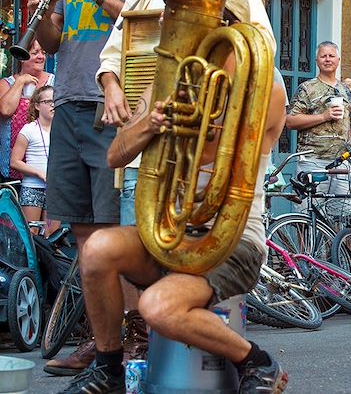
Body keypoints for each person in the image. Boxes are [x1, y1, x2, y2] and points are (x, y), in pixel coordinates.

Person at [58, 38, 289, 393]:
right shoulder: (165, 84)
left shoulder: (266, 93)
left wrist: (175, 119)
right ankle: (108, 370)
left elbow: (211, 151)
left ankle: (256, 361)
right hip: (170, 232)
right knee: (97, 248)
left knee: (158, 308)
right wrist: (149, 125)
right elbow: (115, 155)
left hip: (232, 240)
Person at [26, 0, 161, 375]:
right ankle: (101, 340)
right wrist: (45, 14)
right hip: (69, 104)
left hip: (117, 107)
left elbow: (153, 21)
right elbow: (57, 42)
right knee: (84, 233)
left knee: (114, 233)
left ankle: (136, 338)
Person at [285, 42, 351, 197]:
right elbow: (290, 121)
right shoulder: (307, 88)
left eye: (331, 56)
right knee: (310, 213)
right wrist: (324, 116)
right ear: (317, 61)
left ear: (338, 60)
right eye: (323, 56)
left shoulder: (346, 90)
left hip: (342, 162)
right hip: (313, 160)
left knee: (344, 214)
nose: (327, 59)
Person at [0, 40, 54, 183]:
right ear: (21, 57)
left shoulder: (54, 82)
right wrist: (20, 82)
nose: (41, 57)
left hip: (45, 165)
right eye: (35, 53)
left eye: (43, 52)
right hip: (12, 164)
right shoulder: (7, 83)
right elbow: (5, 110)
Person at [10, 85, 55, 234]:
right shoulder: (29, 129)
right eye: (48, 101)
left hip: (56, 188)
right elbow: (15, 161)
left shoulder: (63, 129)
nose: (53, 105)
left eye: (55, 101)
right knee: (31, 234)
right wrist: (39, 174)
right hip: (32, 187)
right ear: (37, 106)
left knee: (52, 236)